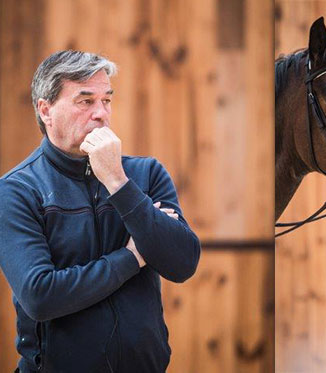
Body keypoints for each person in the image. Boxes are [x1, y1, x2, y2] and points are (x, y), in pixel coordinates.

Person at [0, 50, 201, 372]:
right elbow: (40, 295)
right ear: (45, 110)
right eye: (85, 101)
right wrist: (132, 257)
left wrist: (118, 182)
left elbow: (182, 263)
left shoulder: (145, 174)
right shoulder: (17, 189)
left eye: (106, 100)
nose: (101, 114)